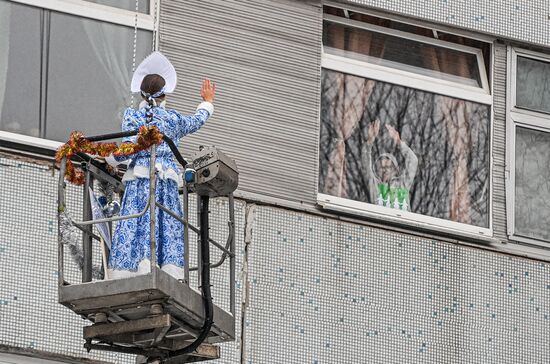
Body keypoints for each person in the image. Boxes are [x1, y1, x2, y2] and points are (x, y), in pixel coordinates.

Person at [104, 51, 216, 280]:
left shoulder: (132, 117)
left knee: (137, 220)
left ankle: (130, 268)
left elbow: (126, 151)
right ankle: (168, 270)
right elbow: (197, 121)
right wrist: (207, 102)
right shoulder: (173, 119)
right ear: (165, 94)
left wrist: (108, 159)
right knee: (166, 222)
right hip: (165, 181)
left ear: (143, 95)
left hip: (139, 181)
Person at [362, 119, 418, 211]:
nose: (385, 170)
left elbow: (413, 161)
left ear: (395, 170)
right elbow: (365, 166)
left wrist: (399, 143)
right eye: (382, 167)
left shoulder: (402, 184)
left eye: (388, 167)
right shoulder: (374, 186)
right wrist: (369, 142)